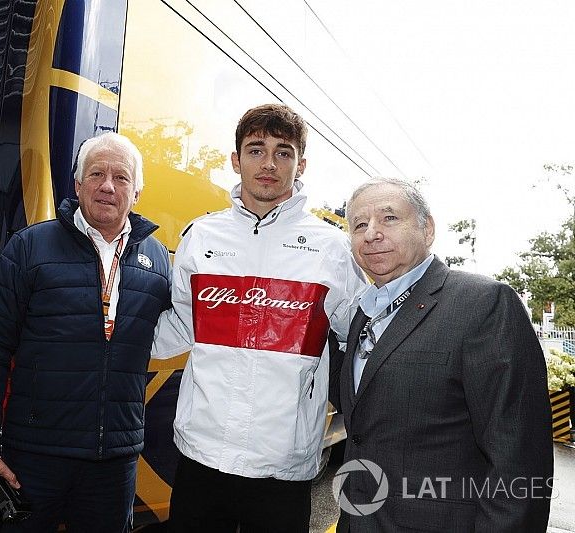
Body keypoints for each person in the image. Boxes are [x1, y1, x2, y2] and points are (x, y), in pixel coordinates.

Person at [153, 103, 368, 532]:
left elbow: (361, 341)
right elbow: (178, 324)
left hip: (283, 466)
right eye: (255, 150)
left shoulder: (332, 247)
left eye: (283, 152)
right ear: (236, 160)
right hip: (202, 455)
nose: (268, 163)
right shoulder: (201, 235)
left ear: (300, 164)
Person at [0, 132, 171, 533]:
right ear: (77, 185)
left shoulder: (158, 261)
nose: (108, 185)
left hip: (115, 466)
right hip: (34, 459)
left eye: (121, 178)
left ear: (137, 192)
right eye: (96, 174)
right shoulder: (29, 248)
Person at [333, 177, 552, 532]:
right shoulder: (363, 314)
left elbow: (518, 461)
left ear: (427, 228)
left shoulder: (483, 303)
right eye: (359, 224)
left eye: (388, 218)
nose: (371, 233)